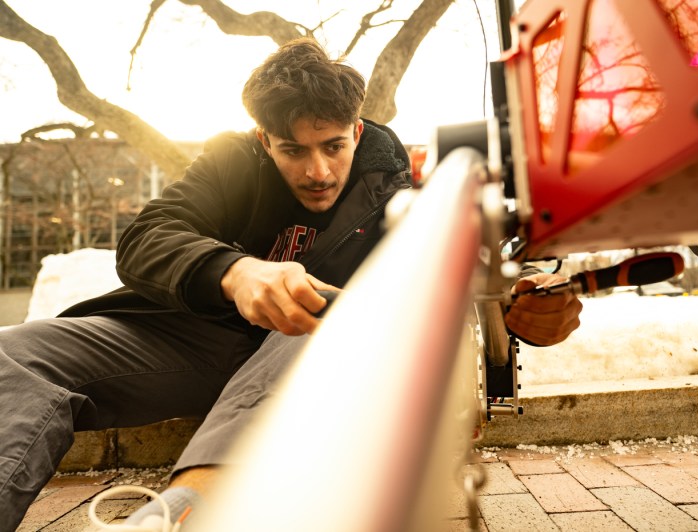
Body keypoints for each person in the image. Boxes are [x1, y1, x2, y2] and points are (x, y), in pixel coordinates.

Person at [0, 38, 582, 531]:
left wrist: (524, 301)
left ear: (357, 130)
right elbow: (149, 236)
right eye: (293, 151)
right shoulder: (230, 162)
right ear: (263, 140)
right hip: (191, 344)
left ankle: (192, 511)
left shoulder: (397, 189)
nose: (318, 171)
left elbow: (466, 258)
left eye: (333, 146)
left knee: (322, 316)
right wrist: (236, 270)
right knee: (16, 351)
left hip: (308, 352)